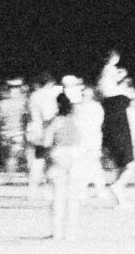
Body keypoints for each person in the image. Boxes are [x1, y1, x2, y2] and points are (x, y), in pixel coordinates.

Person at [49, 76, 104, 240]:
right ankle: (71, 233)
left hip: (62, 153)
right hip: (78, 152)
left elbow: (46, 140)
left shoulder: (57, 120)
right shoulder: (82, 113)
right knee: (72, 197)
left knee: (59, 196)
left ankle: (58, 233)